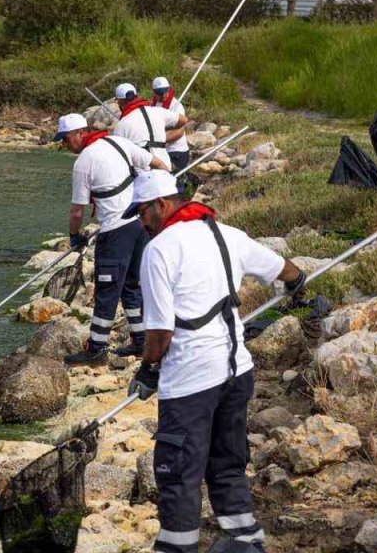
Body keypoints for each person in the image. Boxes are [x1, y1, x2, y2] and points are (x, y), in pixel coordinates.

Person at [122, 170, 307, 553]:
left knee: (178, 473)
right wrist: (296, 282)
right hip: (237, 372)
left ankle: (177, 547)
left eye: (142, 213)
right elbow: (285, 268)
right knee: (227, 462)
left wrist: (147, 370)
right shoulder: (226, 233)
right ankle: (245, 540)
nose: (141, 222)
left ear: (162, 205)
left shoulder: (159, 250)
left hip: (190, 380)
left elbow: (160, 335)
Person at [54, 113, 170, 365]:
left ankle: (96, 348)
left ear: (80, 134)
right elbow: (160, 165)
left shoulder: (84, 162)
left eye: (65, 139)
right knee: (131, 286)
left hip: (115, 231)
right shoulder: (119, 142)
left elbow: (77, 210)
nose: (64, 144)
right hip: (141, 226)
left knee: (107, 291)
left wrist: (75, 236)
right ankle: (141, 342)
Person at [111, 82, 189, 169]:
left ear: (120, 101)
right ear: (136, 97)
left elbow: (119, 156)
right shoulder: (157, 111)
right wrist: (161, 128)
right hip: (165, 166)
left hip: (143, 172)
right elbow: (183, 120)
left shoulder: (121, 125)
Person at [150, 77, 191, 173]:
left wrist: (159, 141)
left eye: (165, 91)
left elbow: (180, 132)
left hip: (177, 151)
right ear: (154, 92)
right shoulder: (153, 105)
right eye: (160, 93)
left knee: (177, 182)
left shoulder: (176, 105)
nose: (164, 95)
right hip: (161, 151)